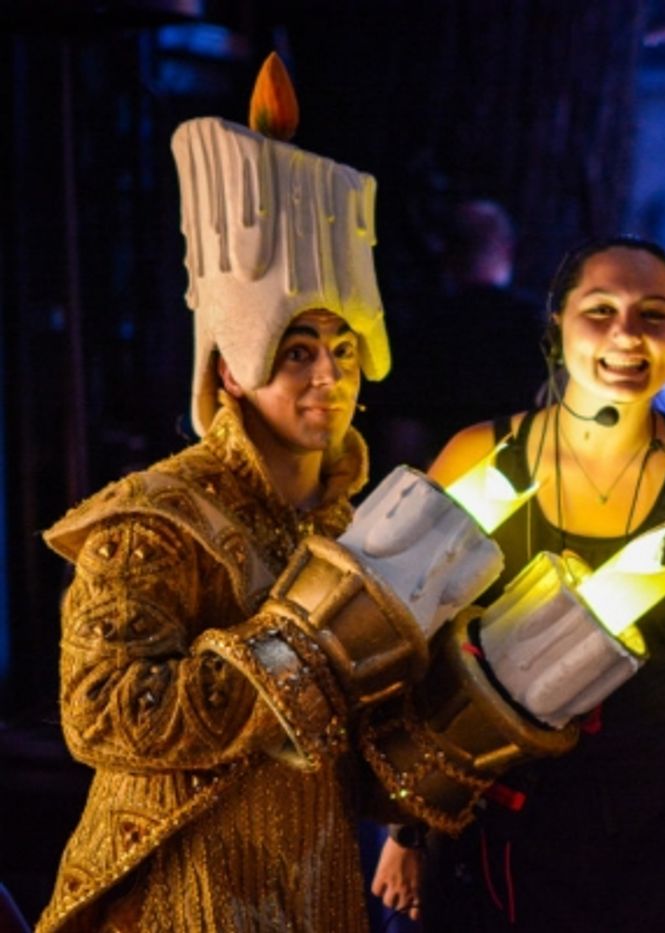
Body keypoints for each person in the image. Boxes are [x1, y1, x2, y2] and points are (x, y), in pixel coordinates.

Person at [34, 55, 486, 932]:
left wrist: (480, 707)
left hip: (316, 882)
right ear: (233, 371)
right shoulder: (157, 517)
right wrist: (298, 649)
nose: (328, 378)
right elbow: (100, 713)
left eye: (343, 351)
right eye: (297, 352)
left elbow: (367, 752)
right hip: (183, 882)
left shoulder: (357, 523)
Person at [372, 236, 665, 932]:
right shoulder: (482, 457)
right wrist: (407, 824)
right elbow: (416, 649)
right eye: (600, 310)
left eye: (654, 314)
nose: (626, 334)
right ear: (558, 323)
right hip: (510, 828)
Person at [363, 198, 547, 479]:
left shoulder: (423, 329)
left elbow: (402, 438)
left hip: (442, 485)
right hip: (528, 483)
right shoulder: (541, 327)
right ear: (508, 249)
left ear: (447, 252)